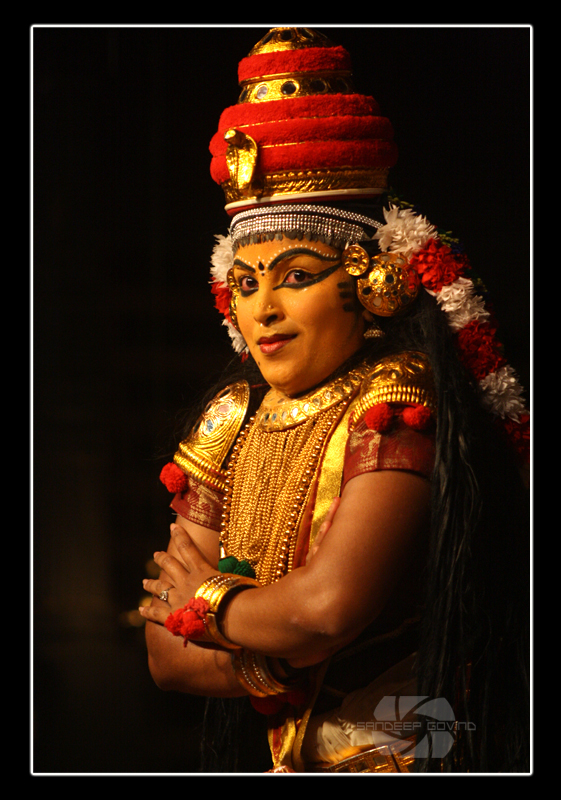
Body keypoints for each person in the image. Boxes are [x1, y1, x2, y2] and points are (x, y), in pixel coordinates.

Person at [139, 27, 529, 773]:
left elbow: (327, 609)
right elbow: (164, 652)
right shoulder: (231, 419)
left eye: (294, 276)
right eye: (246, 284)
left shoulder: (395, 401)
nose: (264, 311)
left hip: (409, 749)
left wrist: (214, 605)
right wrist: (271, 663)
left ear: (369, 281)